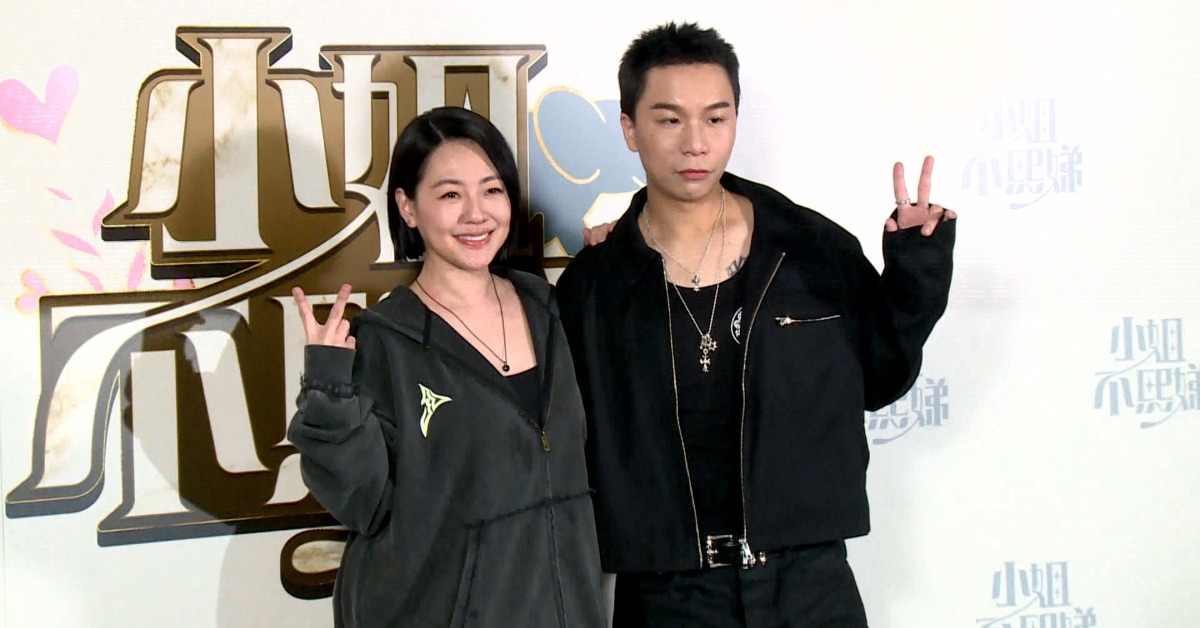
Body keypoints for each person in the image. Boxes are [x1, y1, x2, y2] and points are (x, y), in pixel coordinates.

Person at [555, 23, 956, 626]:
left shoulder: (812, 250)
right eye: (669, 120)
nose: (696, 143)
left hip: (809, 587)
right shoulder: (596, 285)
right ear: (630, 129)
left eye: (715, 119)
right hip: (667, 598)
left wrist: (914, 273)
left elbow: (881, 377)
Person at [288, 106, 605, 628]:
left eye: (492, 190)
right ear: (408, 208)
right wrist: (327, 388)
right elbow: (362, 501)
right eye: (451, 195)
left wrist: (619, 254)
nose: (476, 214)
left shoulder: (548, 309)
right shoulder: (385, 339)